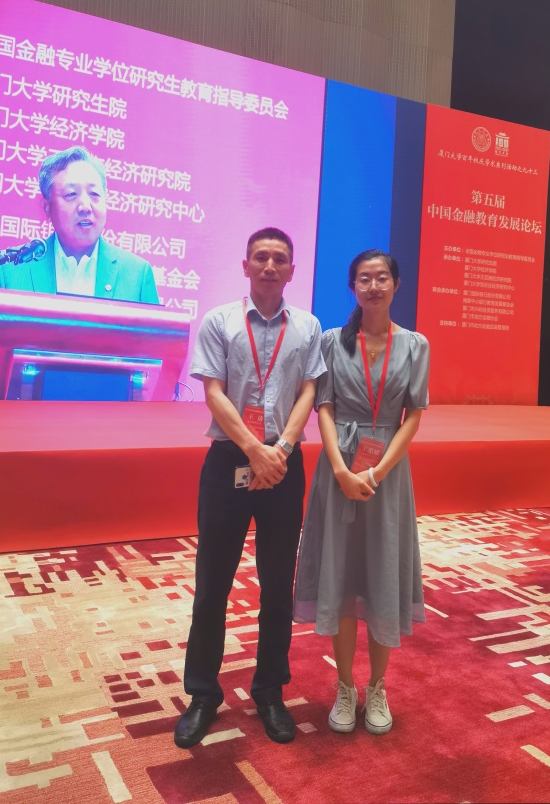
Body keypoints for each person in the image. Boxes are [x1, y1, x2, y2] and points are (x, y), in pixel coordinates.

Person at [174, 227, 325, 748]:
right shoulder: (219, 320)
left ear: (291, 270)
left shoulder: (308, 326)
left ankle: (269, 690)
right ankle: (202, 694)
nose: (269, 266)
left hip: (284, 466)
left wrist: (280, 448)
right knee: (212, 585)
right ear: (245, 266)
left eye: (279, 259)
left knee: (277, 585)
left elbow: (309, 390)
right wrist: (254, 449)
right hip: (229, 464)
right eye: (260, 257)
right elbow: (213, 393)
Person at [293, 249, 429, 735]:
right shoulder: (333, 341)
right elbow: (324, 409)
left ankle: (378, 687)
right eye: (364, 279)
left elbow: (413, 416)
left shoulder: (415, 345)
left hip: (387, 475)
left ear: (396, 284)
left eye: (382, 277)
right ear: (353, 287)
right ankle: (346, 686)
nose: (374, 286)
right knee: (343, 574)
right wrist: (341, 470)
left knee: (382, 574)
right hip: (338, 472)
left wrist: (375, 472)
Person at [0, 146, 159, 393]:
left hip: (110, 416)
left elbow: (157, 367)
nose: (85, 206)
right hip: (24, 414)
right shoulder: (9, 271)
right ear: (47, 207)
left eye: (95, 194)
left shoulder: (137, 274)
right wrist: (11, 396)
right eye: (71, 194)